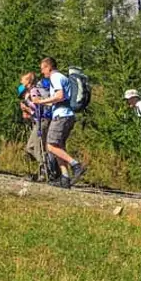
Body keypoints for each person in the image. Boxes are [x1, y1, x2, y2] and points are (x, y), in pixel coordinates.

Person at [33, 57, 87, 188]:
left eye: (43, 69)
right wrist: (46, 101)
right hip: (66, 114)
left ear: (48, 67)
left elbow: (60, 96)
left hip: (61, 116)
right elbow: (59, 98)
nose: (42, 72)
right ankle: (65, 177)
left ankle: (76, 165)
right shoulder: (61, 77)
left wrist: (40, 102)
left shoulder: (55, 77)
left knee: (51, 146)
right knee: (59, 147)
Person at [20, 72, 57, 181]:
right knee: (30, 147)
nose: (21, 82)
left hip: (42, 120)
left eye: (23, 80)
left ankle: (45, 170)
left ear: (28, 81)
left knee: (37, 146)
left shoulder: (33, 91)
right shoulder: (32, 92)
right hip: (40, 121)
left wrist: (28, 110)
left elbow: (39, 107)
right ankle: (46, 168)